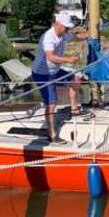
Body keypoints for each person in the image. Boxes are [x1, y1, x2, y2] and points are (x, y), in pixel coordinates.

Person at [32, 13, 88, 143]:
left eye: (69, 28)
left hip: (55, 70)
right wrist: (68, 59)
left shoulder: (64, 34)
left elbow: (76, 37)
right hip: (43, 74)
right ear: (57, 24)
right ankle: (52, 134)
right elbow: (50, 57)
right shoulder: (48, 37)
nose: (68, 30)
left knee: (75, 79)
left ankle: (74, 110)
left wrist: (91, 33)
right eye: (66, 27)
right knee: (52, 103)